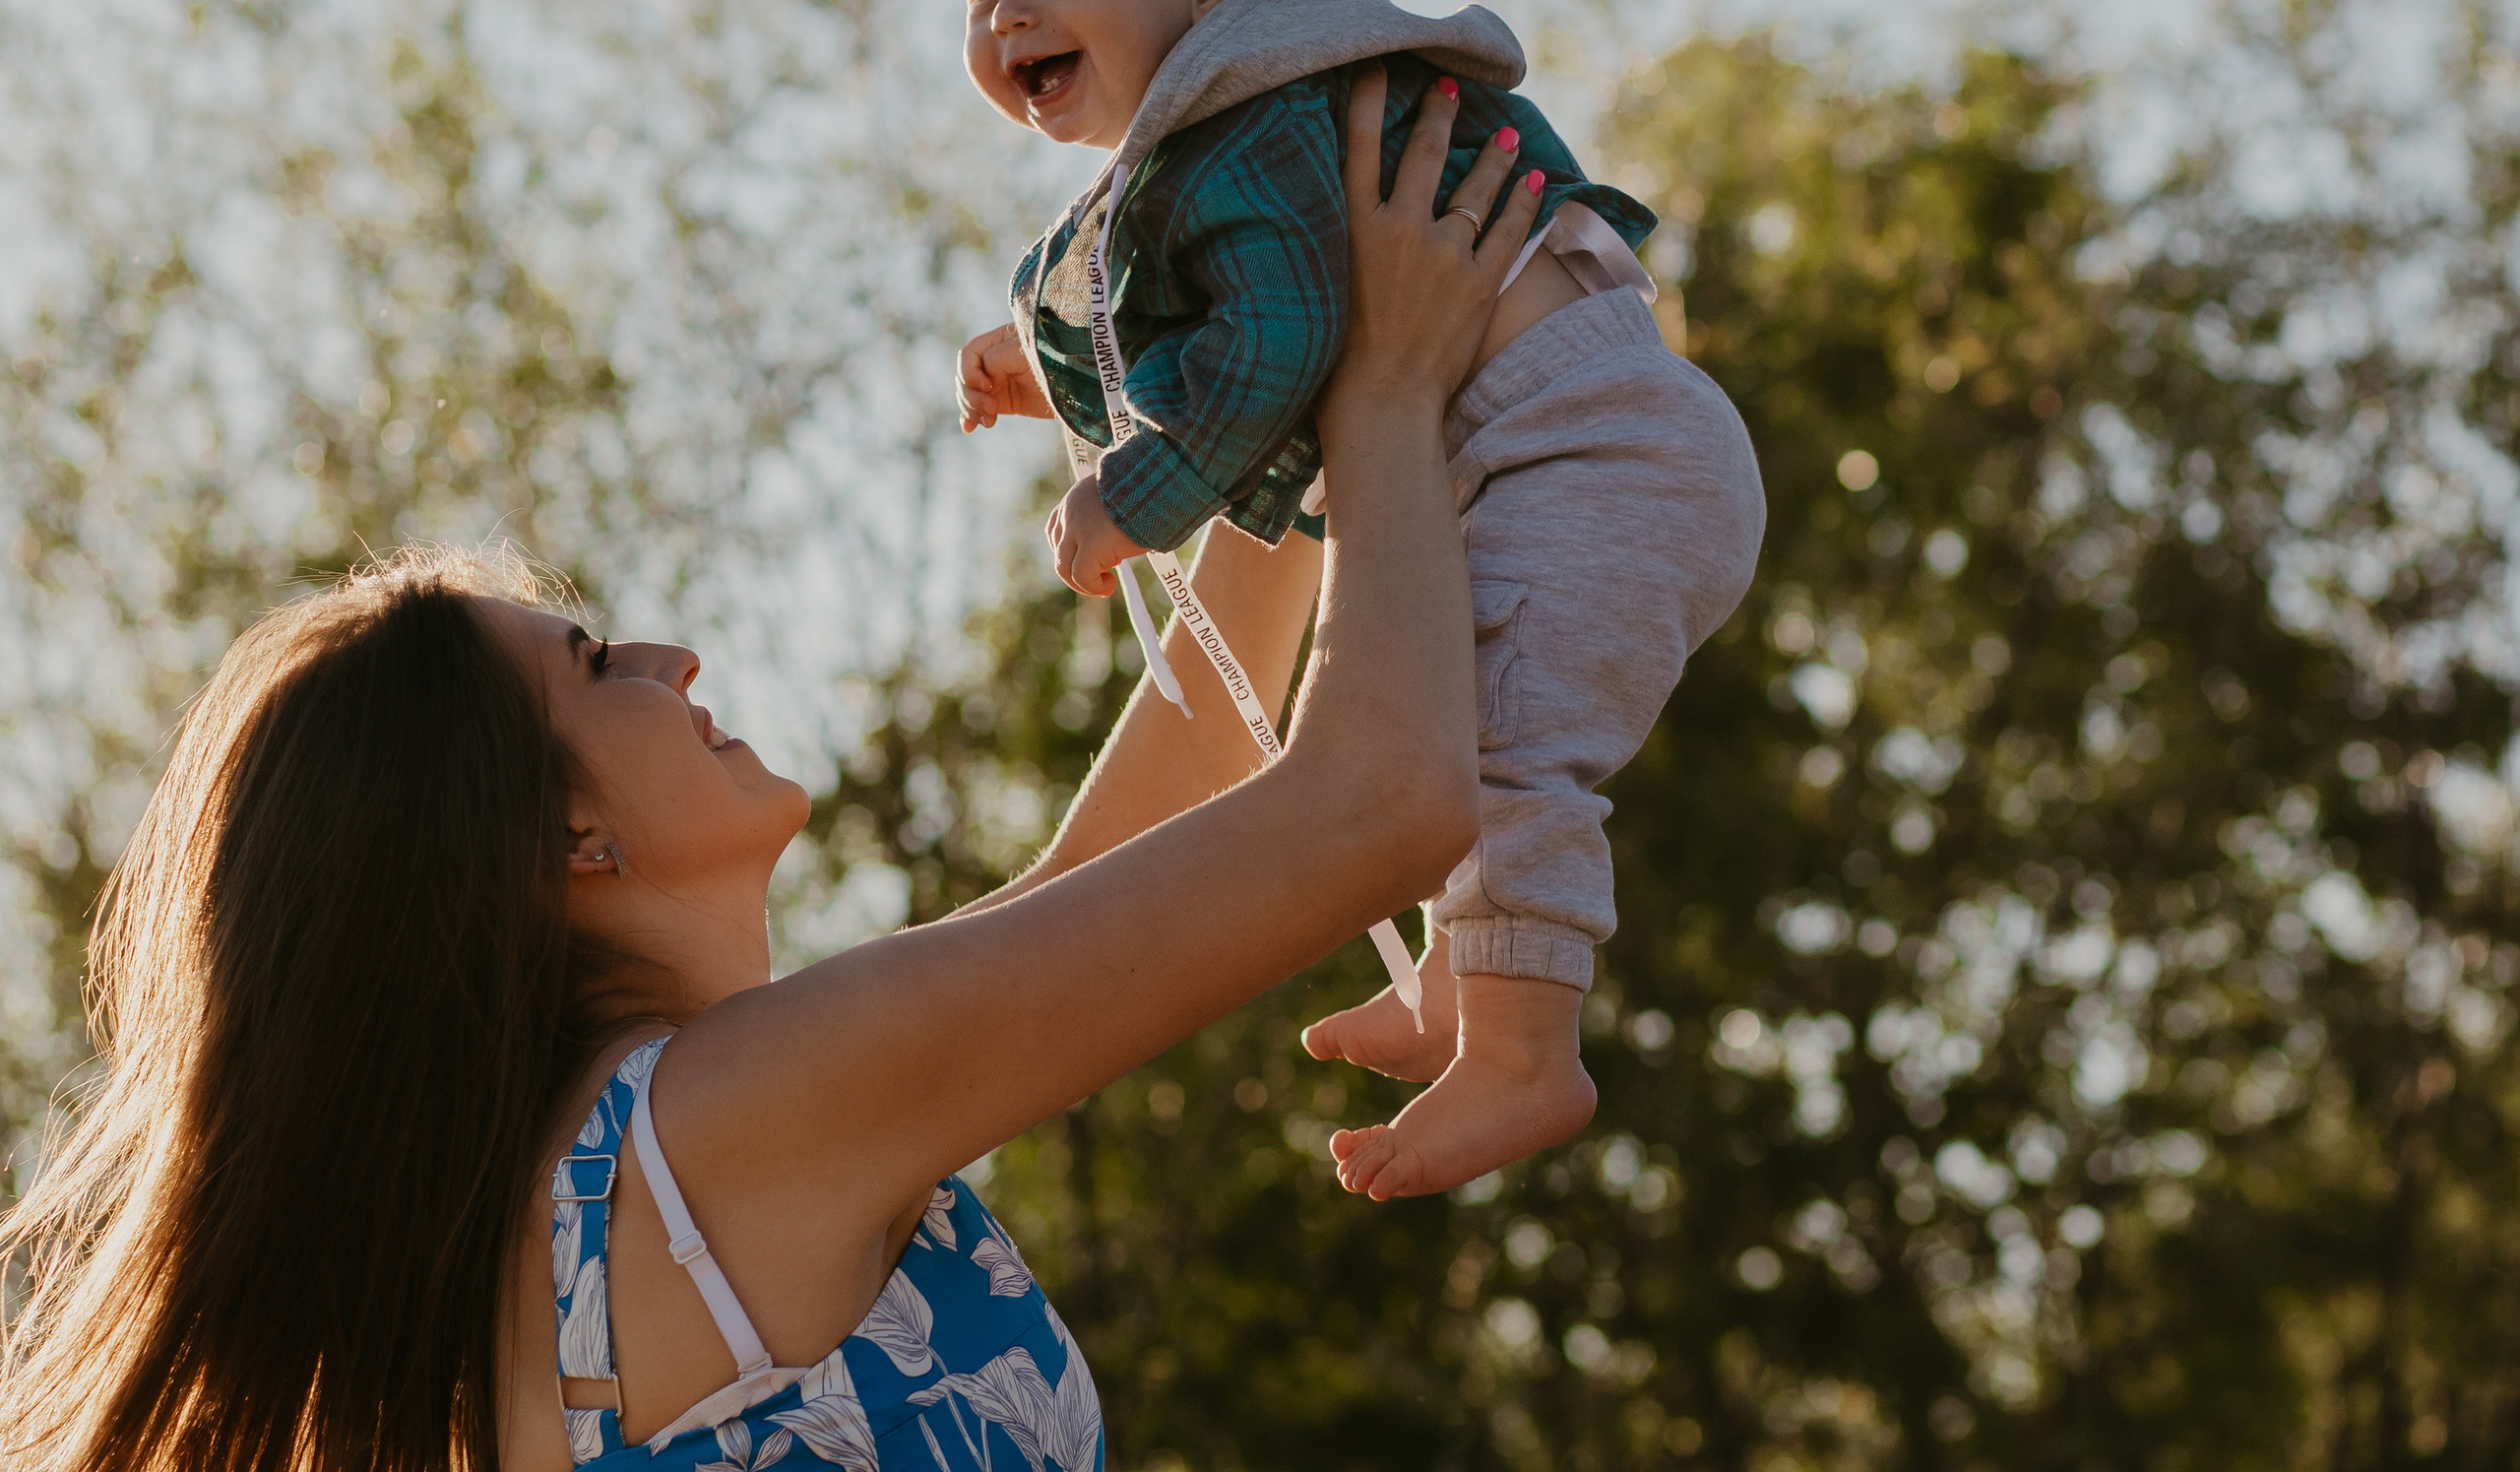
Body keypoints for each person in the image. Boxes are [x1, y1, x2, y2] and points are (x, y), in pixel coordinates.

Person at [0, 73, 1524, 1472]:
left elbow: (1145, 827)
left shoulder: (596, 1197)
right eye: (596, 668)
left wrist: (1288, 404)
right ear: (565, 832)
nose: (675, 663)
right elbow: (1385, 801)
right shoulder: (722, 1129)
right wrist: (1390, 378)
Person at [950, 0, 1767, 1201]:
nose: (1007, 10)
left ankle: (1525, 1050)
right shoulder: (1256, 126)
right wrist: (1055, 363)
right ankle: (1467, 977)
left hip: (1590, 456)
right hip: (1557, 456)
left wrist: (1131, 495)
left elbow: (1280, 340)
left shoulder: (1260, 124)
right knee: (1442, 693)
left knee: (1499, 743)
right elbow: (1243, 331)